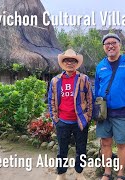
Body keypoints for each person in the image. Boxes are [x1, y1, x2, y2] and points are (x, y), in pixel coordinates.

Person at [95, 33, 125, 180]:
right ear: (104, 47)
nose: (110, 45)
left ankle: (121, 174)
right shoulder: (100, 66)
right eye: (107, 43)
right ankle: (107, 172)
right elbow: (97, 89)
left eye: (113, 42)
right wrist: (95, 110)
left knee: (121, 144)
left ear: (119, 45)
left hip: (123, 112)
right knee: (105, 143)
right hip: (104, 113)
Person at [48, 49, 93, 180]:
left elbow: (90, 99)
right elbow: (51, 100)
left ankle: (79, 173)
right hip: (62, 121)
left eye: (72, 61)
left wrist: (88, 117)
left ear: (76, 63)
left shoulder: (83, 79)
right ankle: (61, 174)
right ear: (63, 63)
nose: (70, 63)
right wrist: (55, 119)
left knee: (81, 149)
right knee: (62, 150)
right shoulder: (56, 81)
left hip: (80, 121)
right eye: (67, 60)